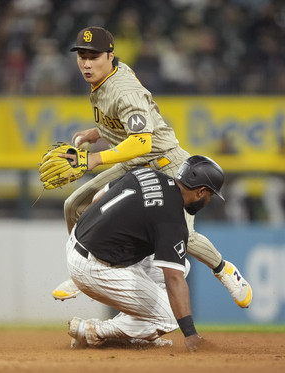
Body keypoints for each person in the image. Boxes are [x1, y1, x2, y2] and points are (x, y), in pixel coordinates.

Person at [53, 26, 250, 309]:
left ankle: (225, 270)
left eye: (94, 56)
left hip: (167, 164)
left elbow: (143, 142)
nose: (86, 62)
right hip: (135, 163)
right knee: (74, 205)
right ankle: (84, 270)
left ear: (110, 56)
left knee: (184, 233)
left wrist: (95, 158)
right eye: (82, 55)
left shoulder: (124, 90)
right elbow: (123, 123)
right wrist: (98, 132)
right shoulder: (105, 78)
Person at [65, 156, 251, 351]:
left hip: (76, 242)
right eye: (210, 195)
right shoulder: (172, 220)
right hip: (94, 267)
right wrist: (190, 334)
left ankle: (134, 331)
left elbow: (97, 199)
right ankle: (92, 330)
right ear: (201, 191)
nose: (208, 199)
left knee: (182, 265)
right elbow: (174, 280)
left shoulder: (145, 174)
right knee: (170, 318)